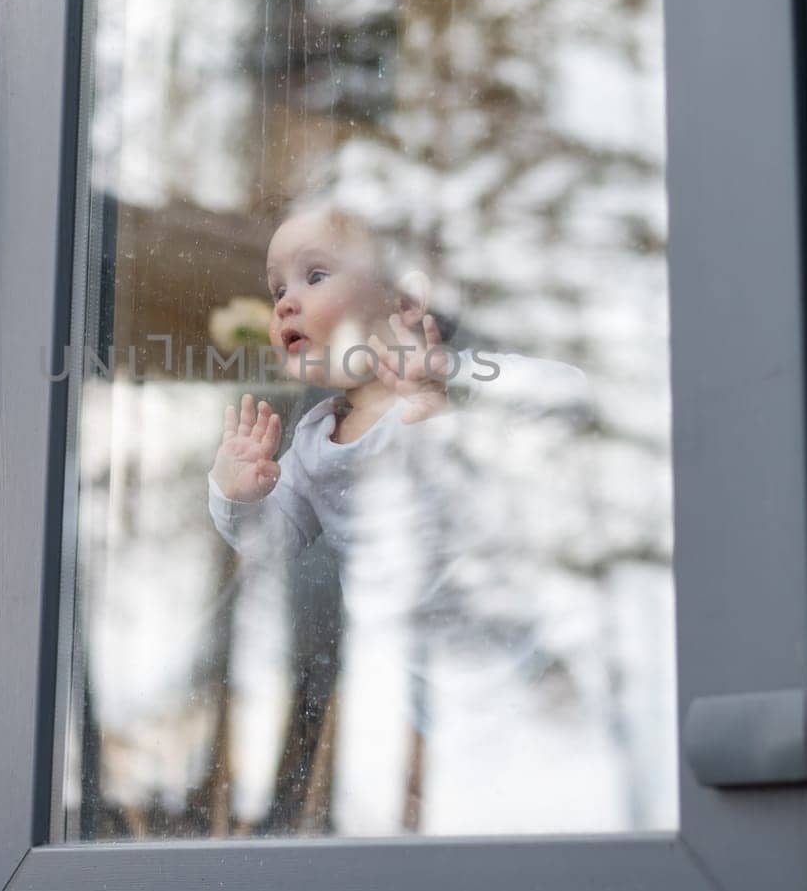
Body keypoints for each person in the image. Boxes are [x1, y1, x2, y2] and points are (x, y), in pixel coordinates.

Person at [206, 196, 591, 834]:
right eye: (277, 288)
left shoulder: (444, 382)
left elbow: (568, 396)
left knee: (540, 817)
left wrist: (448, 382)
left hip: (521, 668)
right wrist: (237, 495)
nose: (284, 302)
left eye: (315, 276)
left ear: (403, 306)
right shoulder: (312, 440)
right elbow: (275, 544)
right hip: (407, 690)